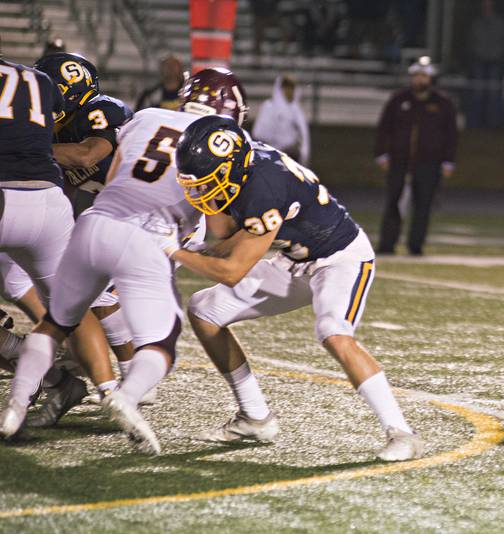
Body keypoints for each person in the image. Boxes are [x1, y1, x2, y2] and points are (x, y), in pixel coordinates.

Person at [0, 67, 246, 453]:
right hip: (152, 234)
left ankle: (14, 407)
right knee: (161, 340)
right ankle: (126, 393)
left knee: (57, 322)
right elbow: (216, 218)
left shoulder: (145, 117)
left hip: (97, 220)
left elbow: (114, 176)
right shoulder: (226, 139)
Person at [169, 115, 424, 462]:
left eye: (208, 180)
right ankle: (255, 417)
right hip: (294, 261)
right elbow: (225, 235)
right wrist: (203, 243)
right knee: (204, 310)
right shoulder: (244, 169)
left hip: (340, 258)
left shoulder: (264, 185)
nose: (200, 189)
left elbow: (231, 270)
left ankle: (401, 433)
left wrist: (174, 251)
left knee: (333, 331)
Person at [0, 55, 114, 435]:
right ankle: (94, 383)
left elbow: (87, 154)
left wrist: (31, 151)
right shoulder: (39, 91)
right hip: (56, 205)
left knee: (98, 302)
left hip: (148, 220)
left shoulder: (103, 111)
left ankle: (124, 382)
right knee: (49, 297)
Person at [375, 56, 457, 256]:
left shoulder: (443, 103)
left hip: (429, 162)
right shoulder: (399, 100)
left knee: (423, 205)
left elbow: (451, 134)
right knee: (393, 201)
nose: (420, 80)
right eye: (417, 76)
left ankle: (415, 245)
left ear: (431, 78)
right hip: (399, 160)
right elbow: (384, 128)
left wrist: (448, 160)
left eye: (424, 76)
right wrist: (381, 153)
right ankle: (387, 243)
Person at [467, 0, 504, 129]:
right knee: (477, 93)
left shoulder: (501, 24)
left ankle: (494, 124)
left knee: (494, 94)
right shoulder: (476, 24)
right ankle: (475, 124)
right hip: (479, 61)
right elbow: (471, 42)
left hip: (495, 62)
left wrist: (500, 57)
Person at [251, 75, 310, 166]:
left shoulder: (297, 112)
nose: (289, 92)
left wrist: (303, 155)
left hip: (291, 156)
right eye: (286, 88)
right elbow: (258, 133)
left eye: (291, 89)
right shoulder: (268, 107)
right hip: (271, 155)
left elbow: (304, 138)